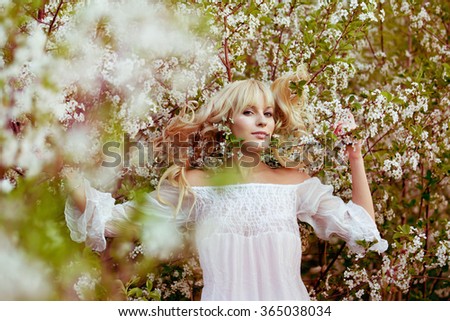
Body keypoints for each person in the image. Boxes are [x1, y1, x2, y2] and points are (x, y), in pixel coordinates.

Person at [64, 69, 388, 301]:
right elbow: (111, 221)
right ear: (227, 121)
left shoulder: (295, 184)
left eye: (269, 113)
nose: (262, 121)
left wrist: (355, 158)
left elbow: (363, 229)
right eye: (249, 112)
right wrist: (61, 167)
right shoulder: (196, 185)